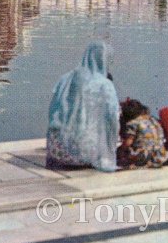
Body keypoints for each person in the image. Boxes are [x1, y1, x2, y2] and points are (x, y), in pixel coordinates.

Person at [46, 41, 120, 172]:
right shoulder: (105, 84)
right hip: (84, 155)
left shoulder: (66, 78)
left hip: (56, 150)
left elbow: (53, 110)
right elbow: (112, 118)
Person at [117, 98, 168, 169]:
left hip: (145, 155)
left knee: (122, 152)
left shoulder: (132, 123)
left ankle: (138, 163)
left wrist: (120, 149)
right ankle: (151, 162)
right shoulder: (153, 120)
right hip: (161, 154)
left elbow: (128, 142)